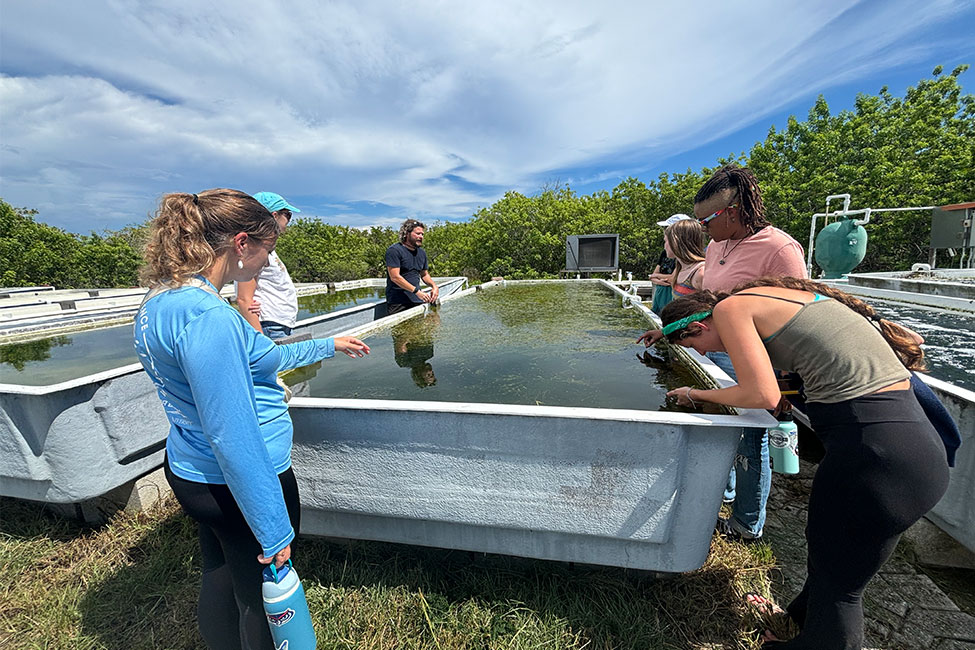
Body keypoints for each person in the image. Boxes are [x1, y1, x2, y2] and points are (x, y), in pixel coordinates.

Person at [133, 189, 369, 649]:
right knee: (263, 599)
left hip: (191, 469)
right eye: (268, 250)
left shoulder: (162, 300)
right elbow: (232, 434)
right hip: (234, 480)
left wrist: (327, 344)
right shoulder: (209, 319)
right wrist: (272, 525)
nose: (266, 263)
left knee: (220, 574)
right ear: (242, 244)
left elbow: (260, 356)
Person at [659, 278, 949, 649]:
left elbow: (760, 394)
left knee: (840, 586)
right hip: (913, 452)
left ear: (698, 327)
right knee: (836, 559)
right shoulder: (767, 298)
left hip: (875, 455)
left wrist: (693, 393)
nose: (701, 353)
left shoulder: (728, 310)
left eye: (694, 346)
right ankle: (798, 618)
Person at [638, 165, 807, 542]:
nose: (701, 230)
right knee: (720, 431)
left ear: (732, 211)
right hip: (712, 351)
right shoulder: (716, 246)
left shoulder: (779, 249)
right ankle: (724, 492)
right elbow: (704, 306)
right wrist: (666, 331)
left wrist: (784, 387)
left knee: (751, 440)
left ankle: (746, 523)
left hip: (755, 362)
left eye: (706, 220)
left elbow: (800, 317)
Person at [235, 191, 300, 340]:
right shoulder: (254, 248)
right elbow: (244, 298)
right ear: (274, 215)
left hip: (278, 324)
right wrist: (262, 341)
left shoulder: (266, 247)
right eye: (287, 215)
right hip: (270, 326)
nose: (289, 220)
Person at [385, 218, 439, 315]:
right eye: (418, 233)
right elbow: (395, 277)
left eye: (422, 234)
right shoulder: (394, 251)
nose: (421, 236)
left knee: (420, 329)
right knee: (400, 330)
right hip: (398, 302)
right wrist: (416, 291)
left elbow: (424, 274)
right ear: (406, 233)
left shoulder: (422, 253)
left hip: (417, 300)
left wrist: (434, 286)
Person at [648, 214, 690, 315]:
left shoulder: (693, 268)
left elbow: (672, 279)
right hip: (661, 293)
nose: (665, 231)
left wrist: (657, 277)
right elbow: (653, 276)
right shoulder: (667, 255)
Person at [664, 218, 707, 297]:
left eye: (666, 241)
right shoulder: (680, 268)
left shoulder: (700, 272)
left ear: (675, 242)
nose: (664, 246)